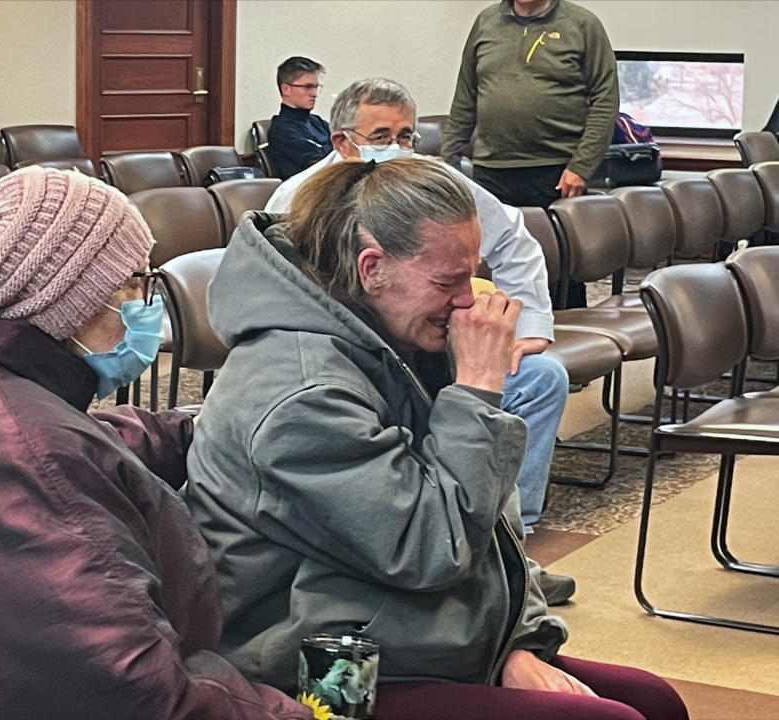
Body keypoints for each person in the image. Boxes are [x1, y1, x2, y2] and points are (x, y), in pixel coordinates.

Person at [185, 157, 688, 720]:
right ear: (372, 268)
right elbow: (431, 549)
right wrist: (476, 390)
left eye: (473, 275)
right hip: (326, 665)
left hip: (411, 627)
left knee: (654, 700)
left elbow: (490, 524)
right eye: (448, 282)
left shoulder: (392, 342)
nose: (469, 300)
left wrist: (517, 641)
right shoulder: (300, 396)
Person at [0, 167, 312, 720]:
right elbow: (137, 697)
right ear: (72, 299)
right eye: (134, 283)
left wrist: (212, 423)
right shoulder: (17, 460)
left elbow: (86, 447)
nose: (145, 304)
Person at [265, 77, 574, 604]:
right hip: (361, 357)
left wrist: (527, 331)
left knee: (540, 377)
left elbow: (512, 241)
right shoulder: (299, 199)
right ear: (343, 142)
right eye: (382, 134)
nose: (397, 147)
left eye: (407, 135)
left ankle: (511, 548)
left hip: (424, 342)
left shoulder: (433, 183)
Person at [441, 0, 619, 307]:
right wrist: (448, 161)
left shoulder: (582, 24)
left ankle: (564, 344)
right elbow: (466, 94)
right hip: (491, 169)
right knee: (491, 268)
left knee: (560, 271)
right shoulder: (486, 22)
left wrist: (582, 165)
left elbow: (605, 99)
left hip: (557, 172)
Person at [267, 56, 332, 179]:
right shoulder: (281, 130)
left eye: (316, 87)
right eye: (308, 87)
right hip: (307, 193)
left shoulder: (318, 122)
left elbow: (344, 147)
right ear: (286, 89)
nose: (314, 94)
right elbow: (321, 161)